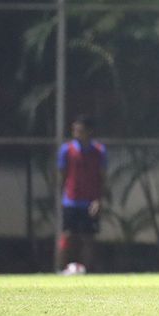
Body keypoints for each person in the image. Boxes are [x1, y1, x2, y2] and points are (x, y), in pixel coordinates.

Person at [56, 115, 107, 273]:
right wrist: (62, 197)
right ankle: (60, 270)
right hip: (71, 201)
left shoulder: (99, 151)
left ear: (89, 131)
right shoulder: (67, 150)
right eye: (75, 130)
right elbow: (62, 176)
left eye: (80, 130)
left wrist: (98, 200)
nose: (77, 133)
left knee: (88, 238)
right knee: (68, 235)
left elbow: (102, 177)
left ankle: (86, 272)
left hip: (90, 201)